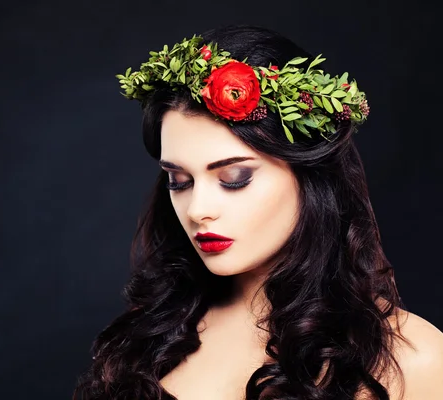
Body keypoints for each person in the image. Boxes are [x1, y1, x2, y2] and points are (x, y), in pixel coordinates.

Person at [72, 25, 443, 400]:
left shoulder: (415, 358)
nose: (199, 210)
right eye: (179, 180)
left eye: (235, 178)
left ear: (309, 176)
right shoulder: (154, 333)